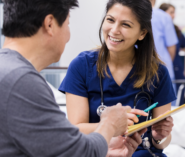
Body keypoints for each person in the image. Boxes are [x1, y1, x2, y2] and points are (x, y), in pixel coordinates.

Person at [0, 0, 141, 156]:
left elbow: (52, 149)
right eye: (67, 24)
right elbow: (78, 153)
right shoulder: (20, 81)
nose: (68, 37)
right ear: (50, 24)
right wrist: (110, 123)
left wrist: (104, 150)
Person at [59, 0, 176, 156]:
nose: (114, 30)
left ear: (142, 33)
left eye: (126, 25)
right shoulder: (82, 66)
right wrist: (113, 125)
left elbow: (161, 144)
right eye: (110, 20)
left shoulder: (158, 73)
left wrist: (159, 137)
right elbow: (77, 130)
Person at [160, 3, 185, 106]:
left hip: (178, 74)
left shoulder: (176, 31)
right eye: (171, 12)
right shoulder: (156, 29)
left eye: (174, 13)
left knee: (178, 107)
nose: (173, 15)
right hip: (162, 74)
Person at [150, 0, 178, 85]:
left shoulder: (132, 15)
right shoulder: (164, 17)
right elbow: (171, 49)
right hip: (162, 70)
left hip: (139, 71)